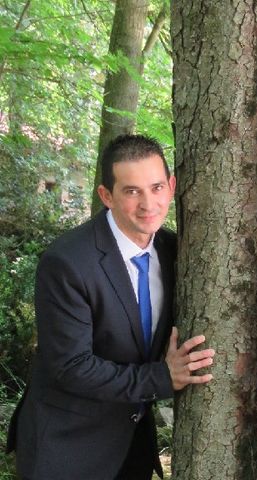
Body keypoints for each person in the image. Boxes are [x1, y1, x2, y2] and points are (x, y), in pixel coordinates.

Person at [6, 134, 215, 480]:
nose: (149, 204)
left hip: (131, 446)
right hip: (67, 449)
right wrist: (162, 377)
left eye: (157, 187)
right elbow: (72, 367)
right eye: (132, 191)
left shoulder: (175, 250)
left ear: (172, 185)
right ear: (106, 195)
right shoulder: (68, 262)